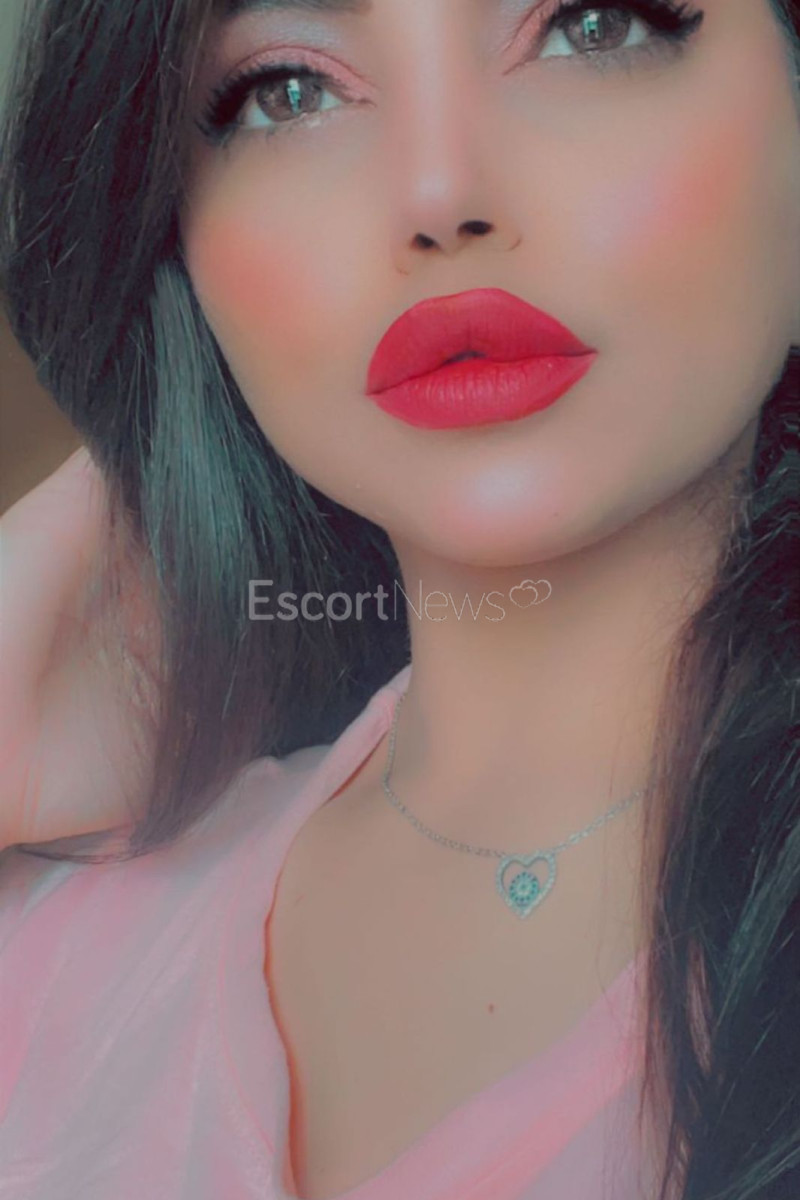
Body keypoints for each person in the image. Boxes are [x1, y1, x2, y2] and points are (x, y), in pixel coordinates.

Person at [1, 0, 799, 1197]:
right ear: (177, 236)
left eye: (590, 26)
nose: (437, 195)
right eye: (287, 91)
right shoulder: (59, 954)